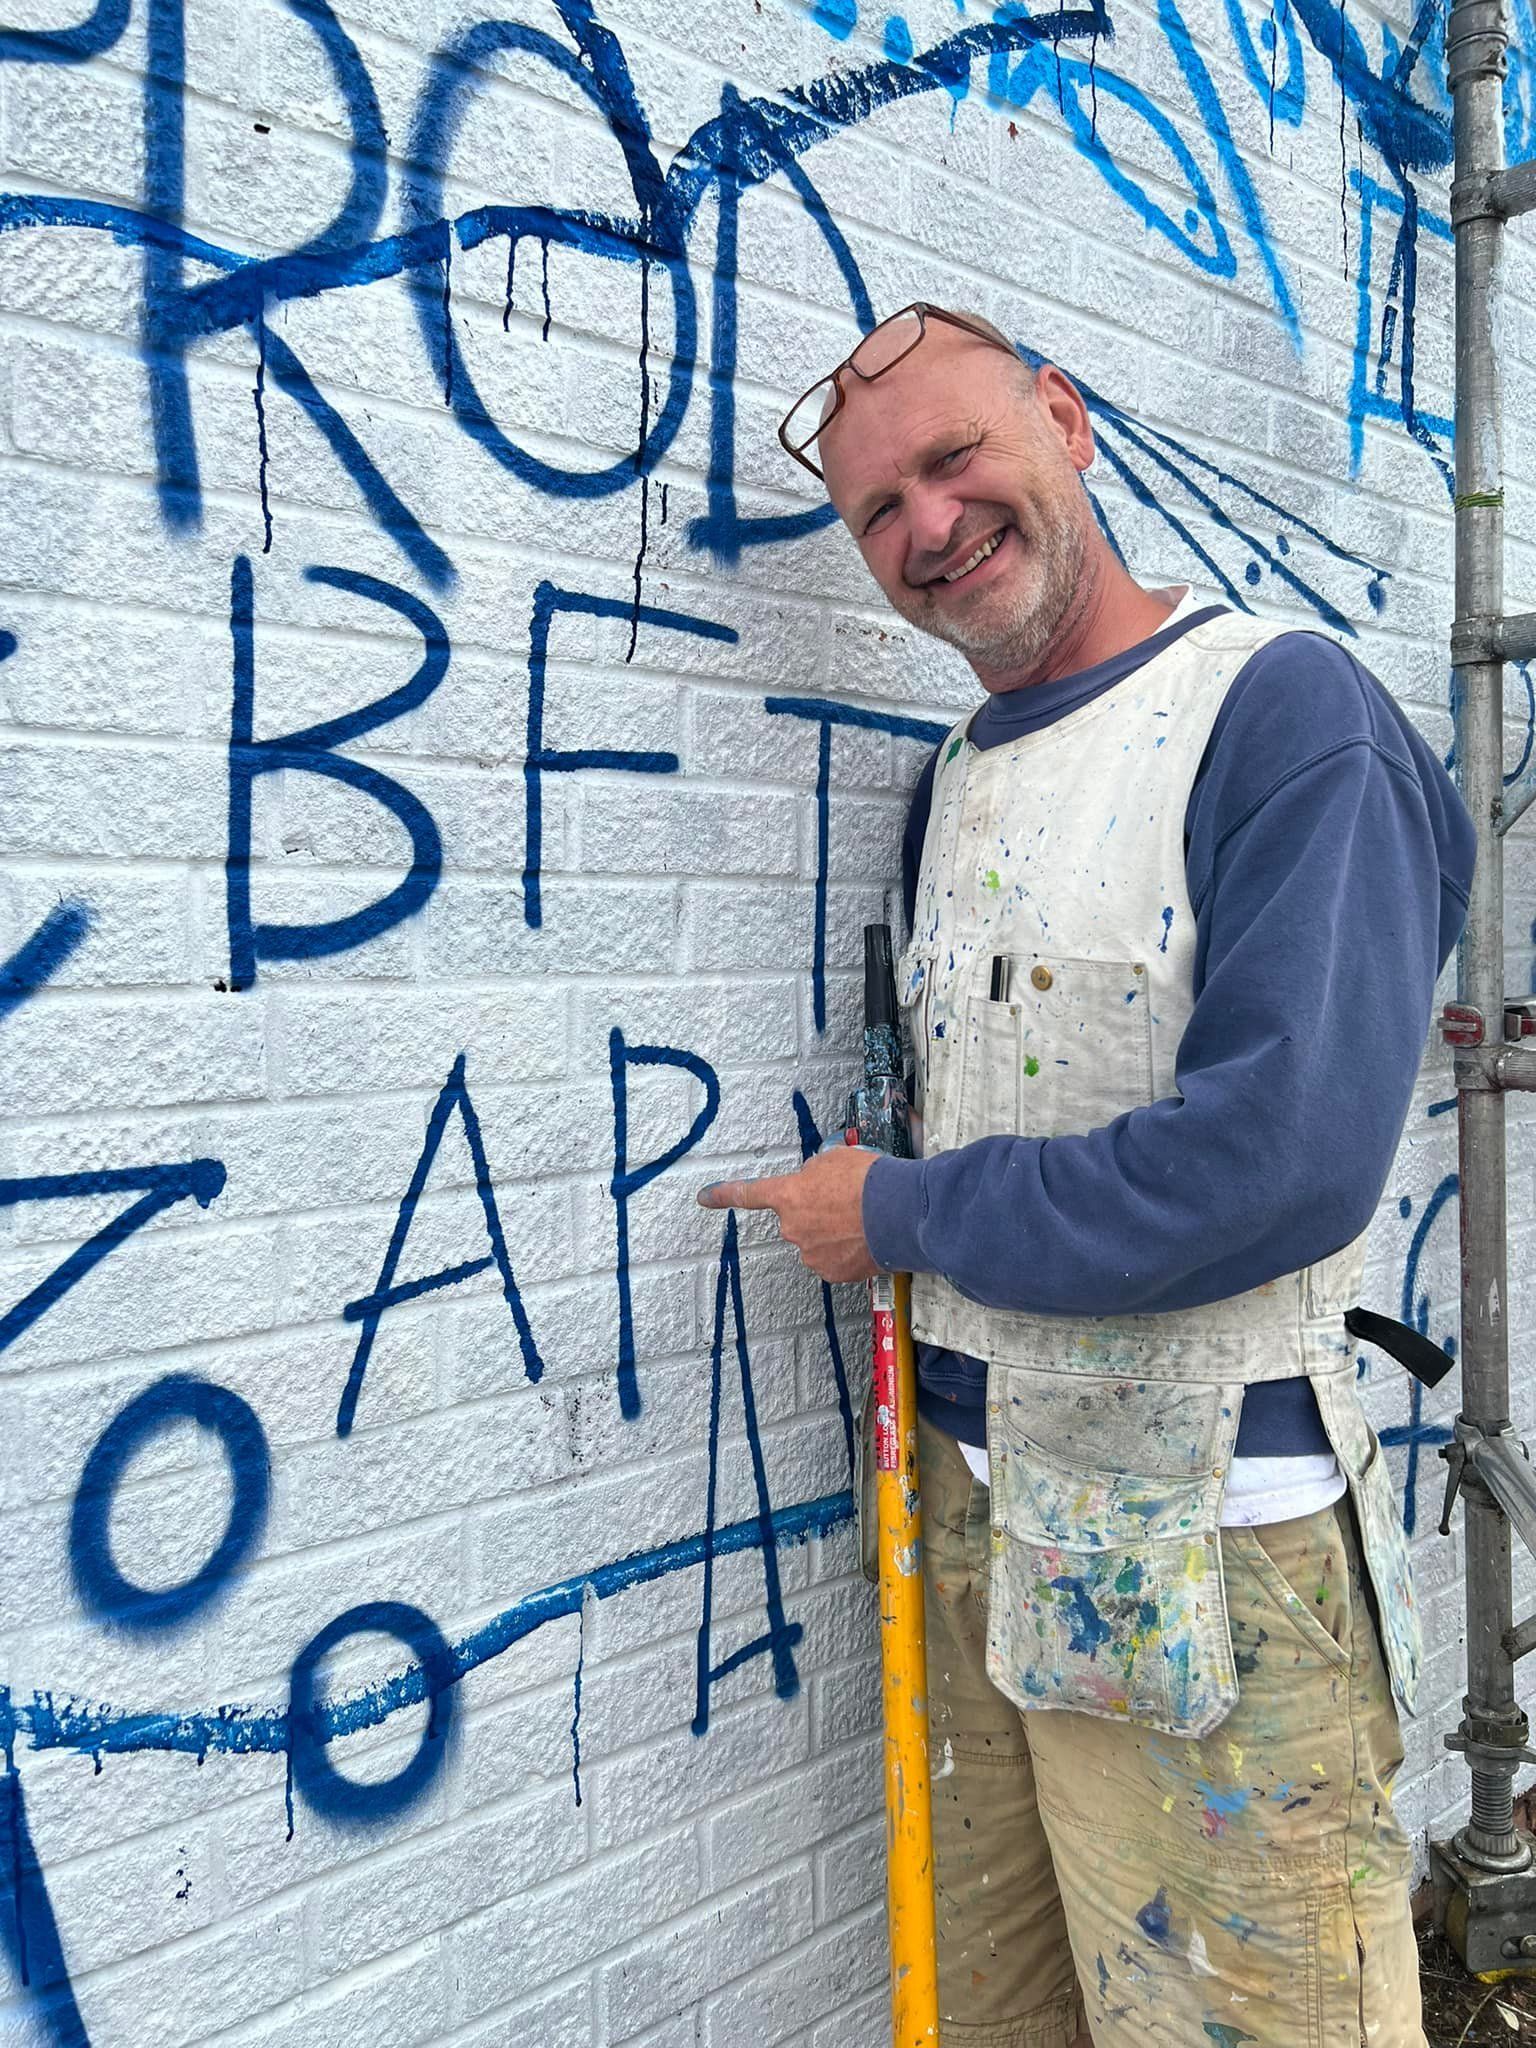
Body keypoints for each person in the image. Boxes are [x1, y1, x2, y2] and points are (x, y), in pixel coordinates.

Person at [698, 303, 1475, 2046]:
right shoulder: (957, 780)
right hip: (978, 1531)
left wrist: (887, 1213)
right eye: (877, 512)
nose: (926, 528)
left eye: (954, 458)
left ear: (1065, 417)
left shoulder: (1281, 717)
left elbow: (1272, 1167)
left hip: (1218, 1564)